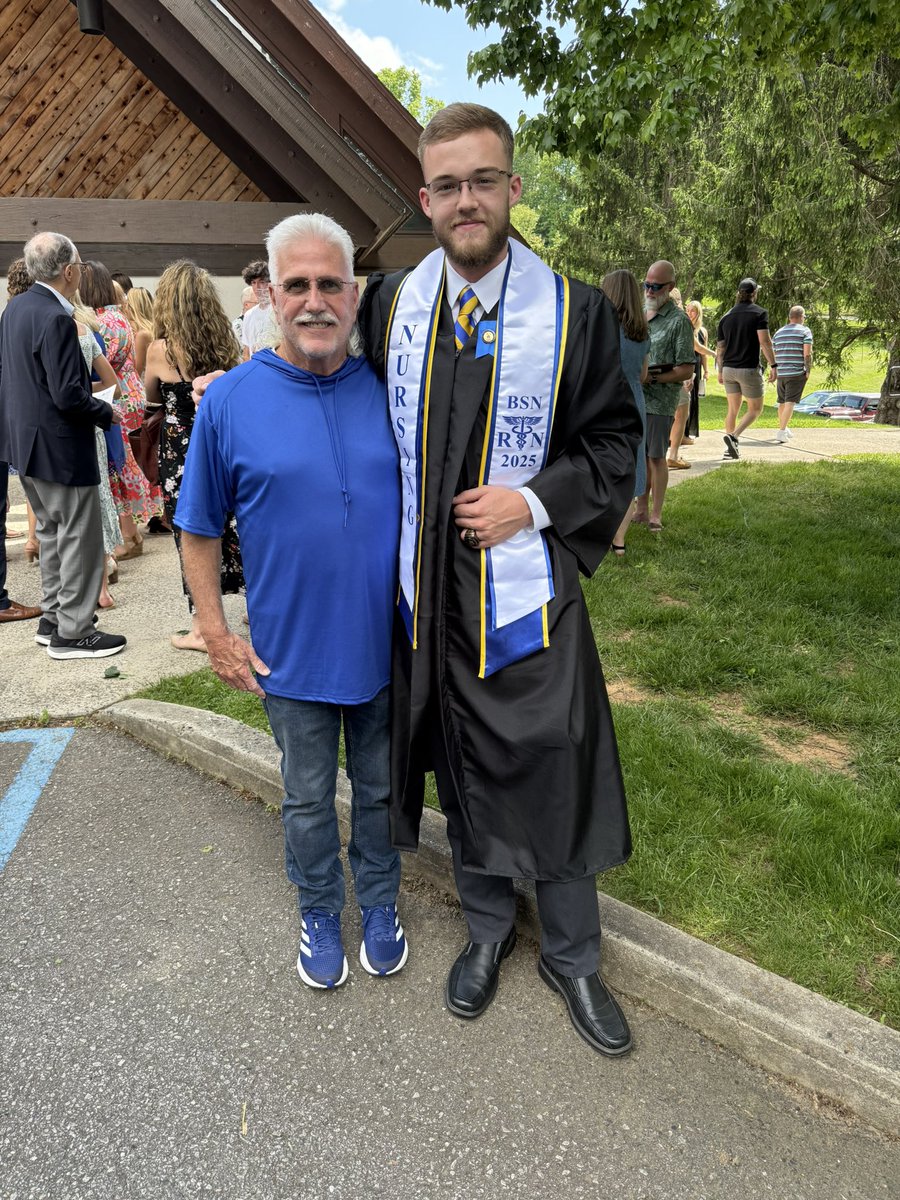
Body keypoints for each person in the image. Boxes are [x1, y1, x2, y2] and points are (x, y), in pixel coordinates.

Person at [358, 103, 642, 1055]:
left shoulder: (573, 314)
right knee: (458, 758)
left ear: (514, 188)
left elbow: (614, 442)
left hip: (524, 595)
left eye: (484, 180)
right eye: (447, 185)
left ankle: (573, 954)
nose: (465, 201)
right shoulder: (392, 305)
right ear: (425, 197)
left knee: (552, 758)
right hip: (427, 594)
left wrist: (537, 501)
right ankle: (485, 931)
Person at [176, 214, 407, 991]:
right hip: (291, 650)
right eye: (298, 284)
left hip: (387, 647)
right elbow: (198, 528)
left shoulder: (392, 393)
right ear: (272, 294)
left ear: (355, 293)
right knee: (308, 799)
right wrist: (213, 630)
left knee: (377, 791)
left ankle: (379, 901)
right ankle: (318, 906)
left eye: (330, 284)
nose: (315, 301)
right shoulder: (230, 401)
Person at [0, 232, 125, 656]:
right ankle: (73, 631)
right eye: (81, 265)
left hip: (25, 442)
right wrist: (107, 412)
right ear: (69, 271)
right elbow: (68, 394)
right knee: (79, 539)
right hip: (59, 444)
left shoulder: (15, 307)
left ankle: (54, 617)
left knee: (53, 534)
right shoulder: (56, 316)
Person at [144, 260, 243, 651]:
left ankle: (202, 625)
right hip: (221, 443)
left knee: (190, 530)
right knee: (232, 522)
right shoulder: (225, 343)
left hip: (181, 448)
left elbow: (151, 396)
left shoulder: (160, 350)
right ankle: (251, 599)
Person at [79, 260, 156, 553]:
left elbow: (99, 364)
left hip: (113, 397)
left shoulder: (99, 322)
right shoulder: (120, 317)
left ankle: (127, 533)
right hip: (131, 391)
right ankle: (132, 532)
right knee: (126, 463)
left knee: (117, 466)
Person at [633, 261, 695, 531]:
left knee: (656, 456)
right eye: (646, 284)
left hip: (659, 401)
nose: (649, 290)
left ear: (669, 288)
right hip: (637, 395)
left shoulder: (678, 321)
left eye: (655, 287)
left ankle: (656, 514)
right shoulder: (641, 312)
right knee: (640, 455)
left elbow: (686, 369)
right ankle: (640, 508)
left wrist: (653, 377)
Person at [601, 270, 649, 557]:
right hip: (634, 402)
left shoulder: (599, 327)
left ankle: (598, 533)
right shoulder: (642, 332)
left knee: (601, 465)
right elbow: (642, 375)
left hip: (603, 400)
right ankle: (619, 542)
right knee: (632, 471)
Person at [716, 277, 777, 460]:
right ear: (754, 294)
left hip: (728, 369)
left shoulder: (725, 317)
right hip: (748, 368)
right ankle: (733, 436)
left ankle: (730, 450)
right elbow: (765, 342)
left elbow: (720, 348)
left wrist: (720, 371)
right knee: (755, 409)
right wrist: (774, 365)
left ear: (739, 294)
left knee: (732, 409)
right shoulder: (759, 314)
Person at [771, 305, 813, 442]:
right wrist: (808, 370)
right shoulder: (805, 331)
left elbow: (773, 352)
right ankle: (781, 432)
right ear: (801, 317)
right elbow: (807, 353)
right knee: (790, 403)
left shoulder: (779, 332)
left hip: (781, 372)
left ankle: (784, 426)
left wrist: (774, 369)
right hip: (796, 372)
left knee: (782, 402)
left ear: (790, 317)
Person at [239, 260, 277, 359]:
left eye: (262, 282)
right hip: (255, 367)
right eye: (254, 282)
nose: (257, 287)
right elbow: (247, 351)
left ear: (270, 283)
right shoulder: (249, 315)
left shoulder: (277, 311)